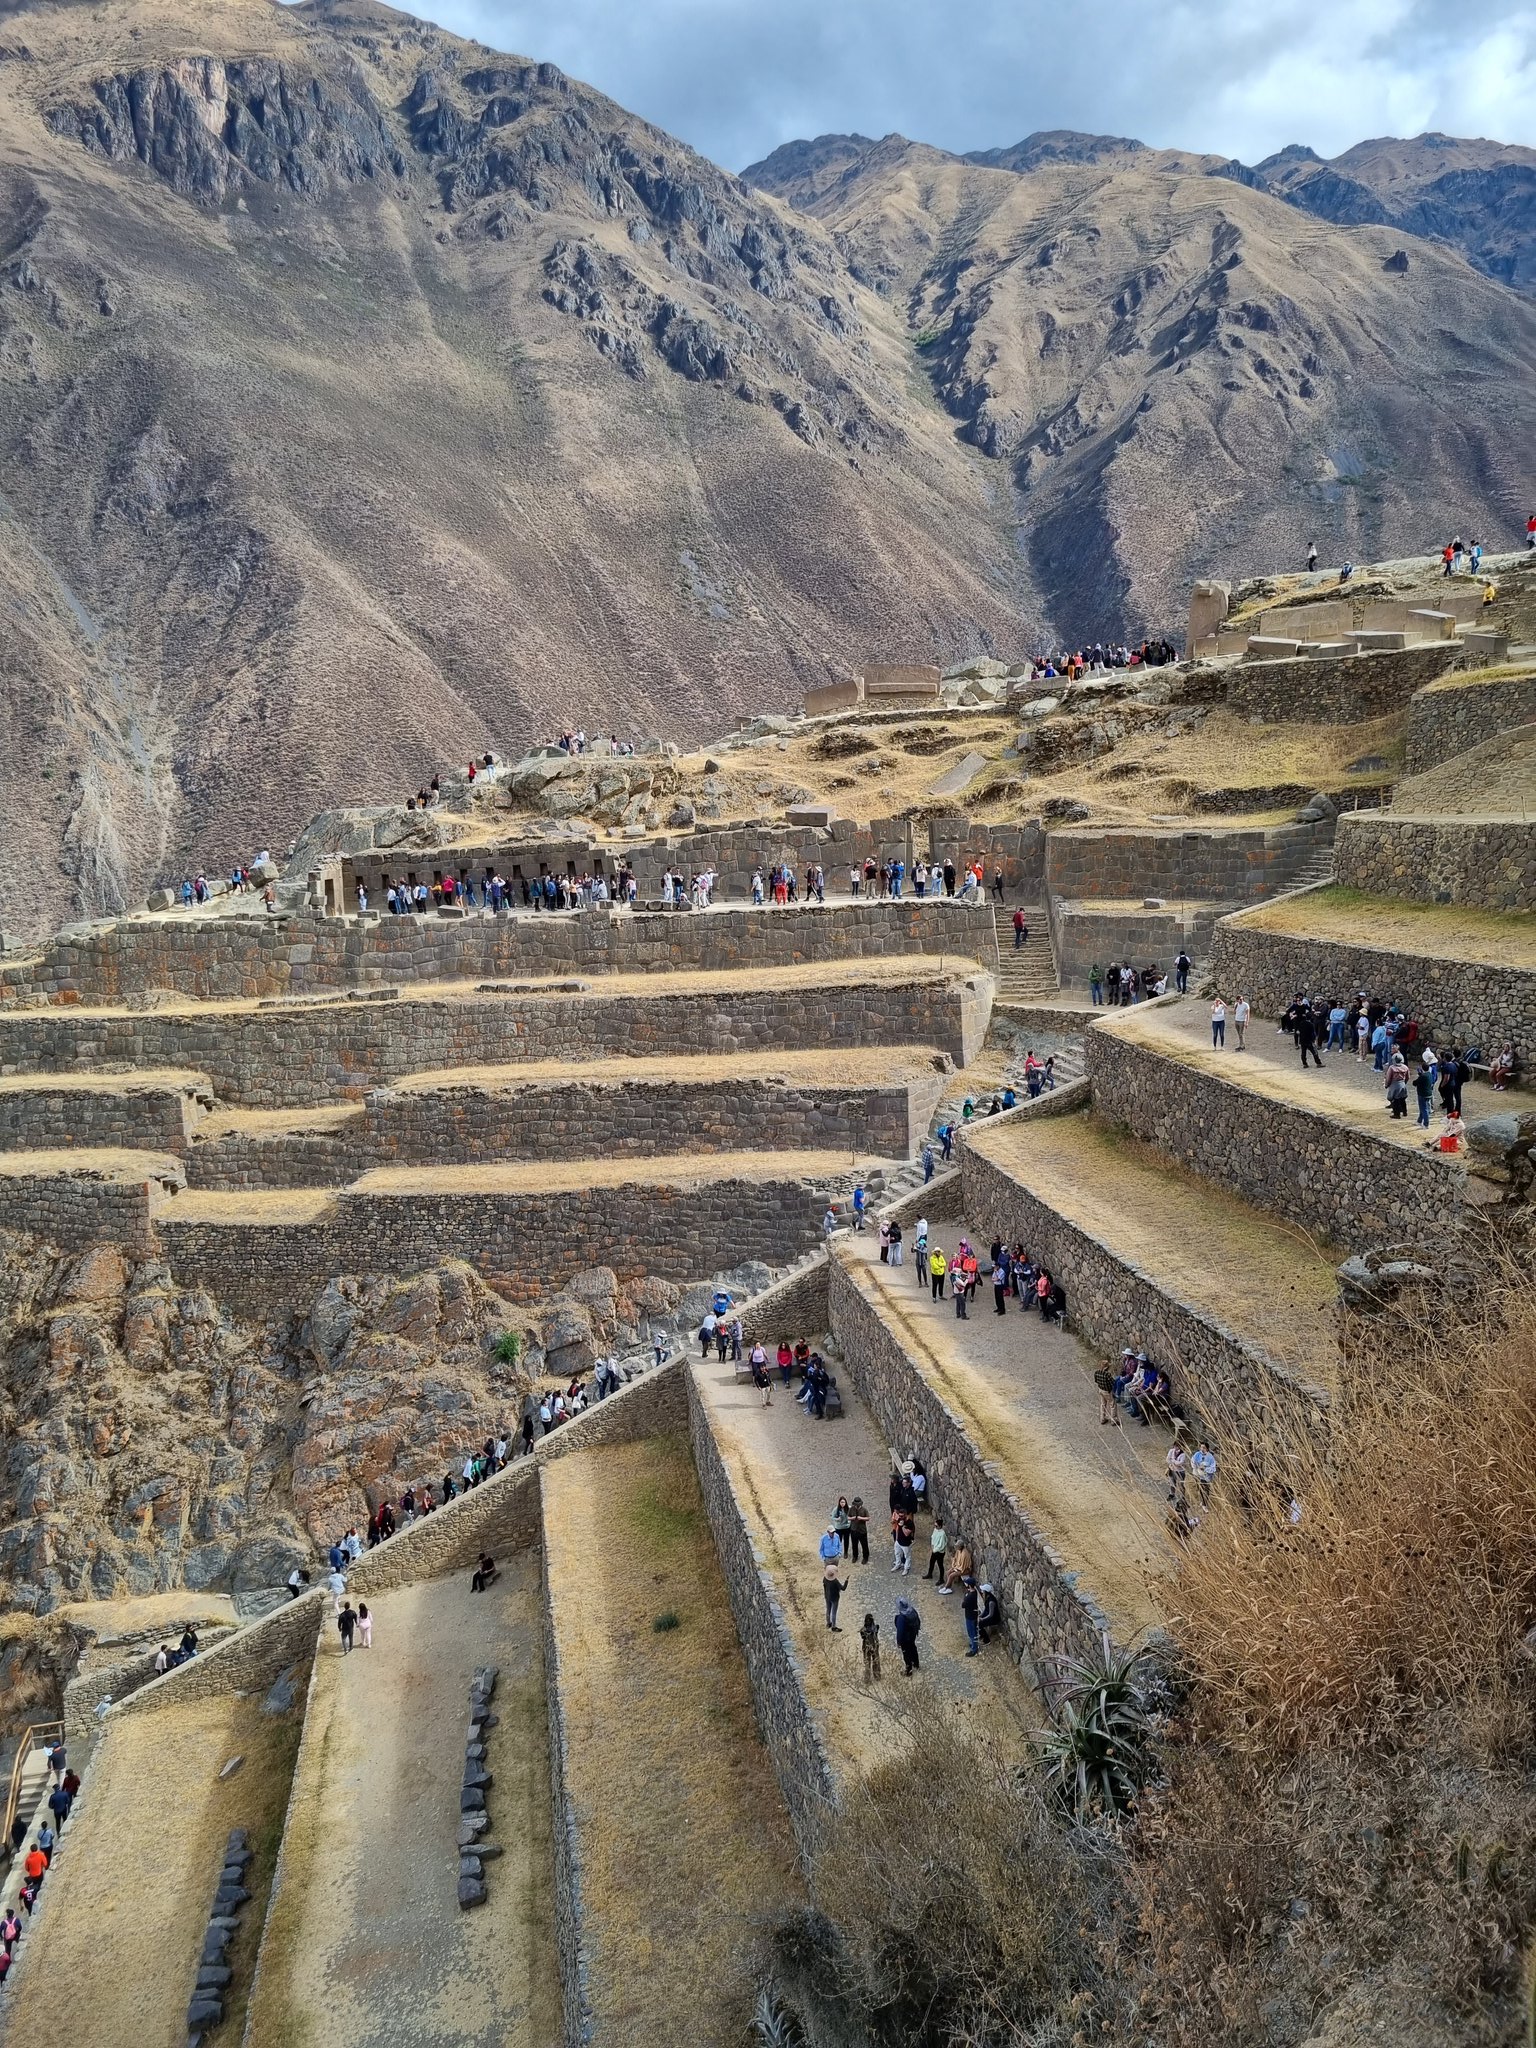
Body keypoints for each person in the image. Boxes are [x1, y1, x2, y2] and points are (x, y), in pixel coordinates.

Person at [894, 1598, 922, 1676]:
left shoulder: (901, 1618)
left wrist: (899, 1642)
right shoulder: (912, 1611)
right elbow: (918, 1621)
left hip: (905, 1638)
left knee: (906, 1653)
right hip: (913, 1635)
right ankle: (916, 1664)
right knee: (913, 1648)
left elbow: (900, 1631)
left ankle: (908, 1671)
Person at [822, 1559, 849, 1631]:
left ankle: (828, 1623)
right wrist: (846, 1581)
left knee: (828, 1610)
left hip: (827, 1596)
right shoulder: (835, 1581)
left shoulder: (825, 1579)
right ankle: (834, 1626)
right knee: (834, 1612)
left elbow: (824, 1586)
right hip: (835, 1598)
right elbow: (843, 1588)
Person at [1094, 1360, 1120, 1426]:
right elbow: (1113, 1382)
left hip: (1100, 1389)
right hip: (1107, 1391)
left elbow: (1096, 1381)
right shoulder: (1107, 1374)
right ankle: (1113, 1420)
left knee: (1103, 1404)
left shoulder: (1097, 1372)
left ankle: (1102, 1418)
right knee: (1112, 1405)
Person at [925, 1515, 948, 1582]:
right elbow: (933, 1537)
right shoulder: (935, 1530)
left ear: (940, 1526)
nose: (935, 1527)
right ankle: (930, 1574)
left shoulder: (942, 1534)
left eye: (936, 1526)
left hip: (939, 1552)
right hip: (934, 1549)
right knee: (931, 1562)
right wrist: (932, 1546)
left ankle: (941, 1579)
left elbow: (941, 1545)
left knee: (940, 1565)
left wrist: (935, 1550)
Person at [891, 1508, 914, 1573]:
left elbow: (907, 1534)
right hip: (899, 1541)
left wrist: (903, 1526)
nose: (900, 1517)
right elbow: (897, 1529)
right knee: (897, 1554)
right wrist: (896, 1539)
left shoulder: (910, 1523)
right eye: (899, 1515)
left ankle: (906, 1568)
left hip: (906, 1543)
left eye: (902, 1516)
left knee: (907, 1556)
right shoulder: (899, 1519)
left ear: (906, 1515)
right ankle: (898, 1564)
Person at [860, 1612, 881, 1682]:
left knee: (867, 1662)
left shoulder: (863, 1630)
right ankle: (877, 1676)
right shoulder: (876, 1628)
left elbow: (862, 1637)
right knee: (876, 1661)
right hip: (874, 1645)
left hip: (866, 1646)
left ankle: (867, 1678)